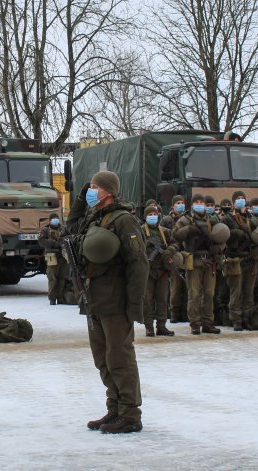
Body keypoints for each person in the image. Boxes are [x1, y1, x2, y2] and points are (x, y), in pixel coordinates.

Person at [66, 170, 147, 434]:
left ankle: (130, 413)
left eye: (93, 187)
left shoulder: (124, 221)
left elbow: (139, 264)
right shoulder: (95, 218)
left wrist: (134, 305)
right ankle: (114, 407)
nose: (89, 191)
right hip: (94, 299)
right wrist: (79, 198)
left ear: (108, 191)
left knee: (119, 357)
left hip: (115, 300)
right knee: (102, 358)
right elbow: (71, 228)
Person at [174, 194, 225, 335]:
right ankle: (195, 324)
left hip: (210, 261)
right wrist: (188, 229)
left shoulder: (212, 220)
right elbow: (175, 236)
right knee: (194, 294)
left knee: (209, 294)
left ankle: (208, 323)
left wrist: (219, 249)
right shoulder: (185, 220)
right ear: (192, 204)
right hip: (194, 262)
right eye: (197, 202)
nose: (200, 204)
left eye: (202, 202)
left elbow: (223, 236)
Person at [221, 191, 258, 331]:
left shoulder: (252, 218)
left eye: (243, 198)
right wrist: (233, 234)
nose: (241, 200)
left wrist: (257, 249)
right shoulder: (227, 218)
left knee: (248, 291)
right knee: (236, 291)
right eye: (238, 198)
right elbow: (222, 236)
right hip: (235, 259)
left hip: (250, 259)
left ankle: (247, 318)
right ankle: (236, 319)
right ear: (233, 202)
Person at [141, 205, 177, 337]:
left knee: (162, 299)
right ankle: (149, 327)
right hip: (148, 271)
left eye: (154, 214)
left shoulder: (165, 231)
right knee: (147, 300)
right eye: (150, 214)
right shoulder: (141, 231)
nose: (153, 216)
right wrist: (147, 245)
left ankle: (161, 326)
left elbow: (175, 243)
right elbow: (135, 247)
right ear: (145, 217)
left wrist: (169, 251)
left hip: (162, 270)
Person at [38, 212, 67, 305]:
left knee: (62, 277)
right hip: (51, 256)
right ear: (50, 220)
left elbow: (68, 237)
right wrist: (53, 243)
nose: (56, 220)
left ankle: (60, 297)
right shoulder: (45, 230)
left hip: (62, 255)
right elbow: (41, 241)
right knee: (52, 278)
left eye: (57, 219)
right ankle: (52, 298)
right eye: (54, 219)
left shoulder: (63, 229)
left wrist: (62, 242)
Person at [168, 195, 188, 323]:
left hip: (187, 255)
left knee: (187, 287)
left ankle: (185, 313)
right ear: (173, 206)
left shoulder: (188, 219)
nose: (181, 205)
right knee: (175, 287)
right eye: (178, 203)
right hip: (174, 256)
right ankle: (174, 313)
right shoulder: (167, 220)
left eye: (182, 202)